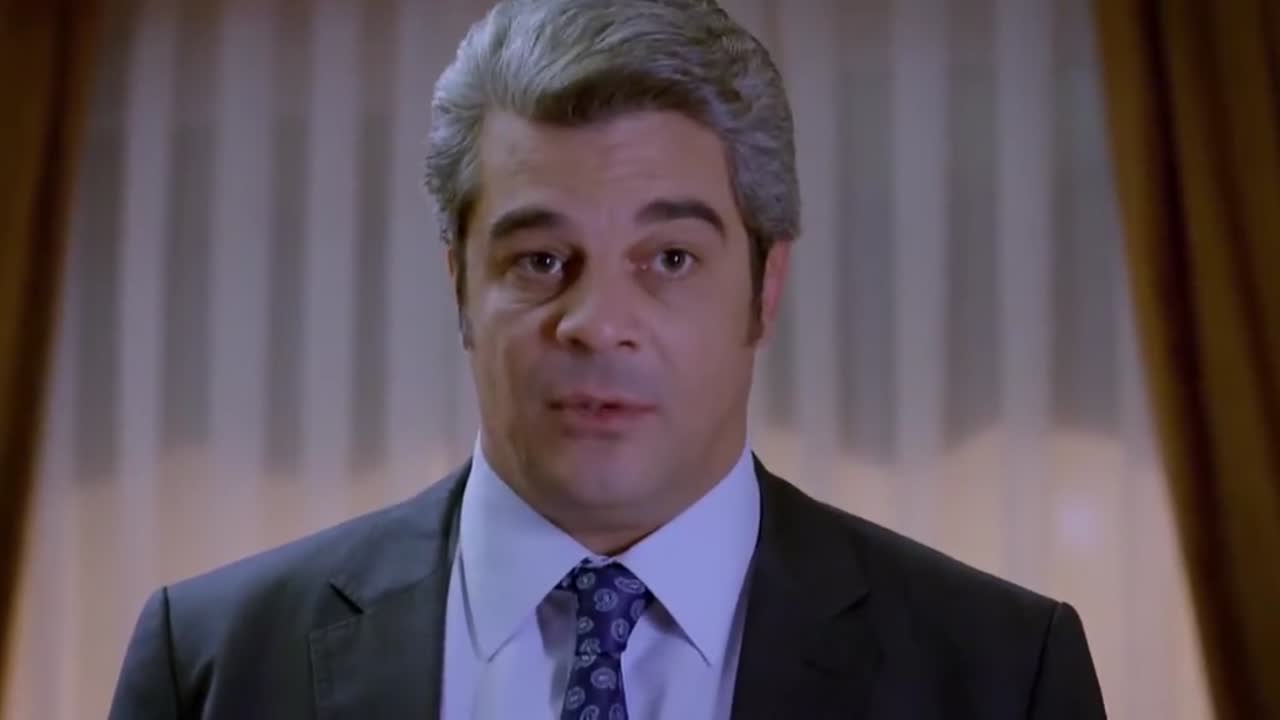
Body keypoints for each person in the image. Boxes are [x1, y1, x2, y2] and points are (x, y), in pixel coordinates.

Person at [108, 0, 1107, 718]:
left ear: (763, 287)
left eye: (668, 259)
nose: (596, 323)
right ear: (459, 284)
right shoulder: (214, 664)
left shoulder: (999, 673)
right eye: (541, 260)